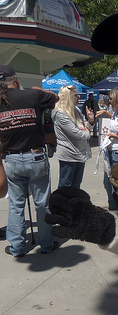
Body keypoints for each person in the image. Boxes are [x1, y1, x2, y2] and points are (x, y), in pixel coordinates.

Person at [0, 64, 59, 257]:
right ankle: (47, 244)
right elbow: (56, 98)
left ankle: (17, 248)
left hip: (12, 159)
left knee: (16, 204)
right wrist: (39, 90)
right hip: (36, 158)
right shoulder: (33, 96)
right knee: (42, 204)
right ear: (15, 80)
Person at [52, 85, 95, 189]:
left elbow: (85, 126)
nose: (79, 97)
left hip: (80, 154)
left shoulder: (76, 110)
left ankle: (73, 205)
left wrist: (91, 121)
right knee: (65, 187)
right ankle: (62, 205)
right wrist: (87, 132)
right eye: (76, 95)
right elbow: (77, 133)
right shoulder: (60, 114)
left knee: (76, 187)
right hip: (69, 156)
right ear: (68, 97)